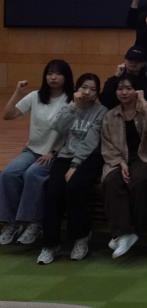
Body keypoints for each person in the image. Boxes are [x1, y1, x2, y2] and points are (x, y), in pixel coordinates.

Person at [0, 60, 74, 246]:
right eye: (49, 73)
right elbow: (8, 115)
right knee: (8, 174)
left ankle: (33, 223)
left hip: (55, 153)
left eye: (58, 73)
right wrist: (17, 92)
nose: (53, 77)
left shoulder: (71, 100)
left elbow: (71, 134)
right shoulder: (35, 96)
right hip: (32, 149)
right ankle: (11, 223)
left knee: (33, 174)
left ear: (66, 77)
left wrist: (53, 152)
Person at [36, 73, 106, 264]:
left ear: (97, 93)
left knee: (75, 187)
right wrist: (73, 107)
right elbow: (58, 127)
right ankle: (50, 244)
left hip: (88, 158)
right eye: (84, 87)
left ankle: (81, 237)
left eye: (93, 89)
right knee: (52, 190)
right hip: (65, 155)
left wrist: (75, 164)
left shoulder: (101, 112)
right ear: (77, 89)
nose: (88, 92)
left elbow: (91, 142)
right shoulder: (70, 106)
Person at [101, 73, 147, 259]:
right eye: (120, 89)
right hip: (119, 159)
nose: (124, 92)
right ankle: (123, 232)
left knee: (139, 181)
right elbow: (107, 145)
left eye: (129, 88)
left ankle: (134, 230)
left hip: (145, 157)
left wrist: (143, 103)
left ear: (137, 90)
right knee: (112, 181)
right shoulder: (110, 115)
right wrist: (120, 162)